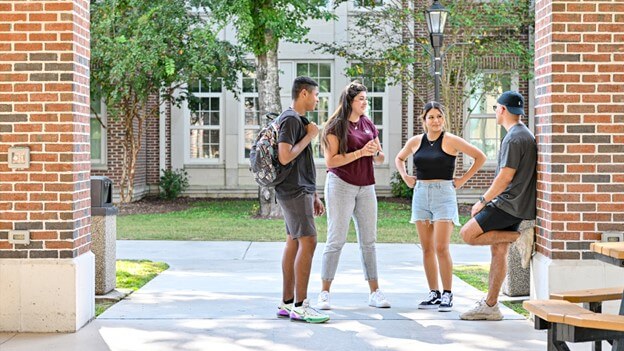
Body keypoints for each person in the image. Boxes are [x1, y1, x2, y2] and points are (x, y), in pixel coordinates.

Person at [395, 101, 486, 312]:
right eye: (431, 117)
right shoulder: (416, 141)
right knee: (426, 248)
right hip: (420, 195)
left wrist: (463, 179)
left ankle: (447, 293)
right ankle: (433, 293)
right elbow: (399, 158)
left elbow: (480, 157)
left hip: (444, 195)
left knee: (441, 247)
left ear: (443, 118)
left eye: (439, 116)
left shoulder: (450, 140)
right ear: (424, 120)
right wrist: (406, 177)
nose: (436, 121)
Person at [458, 90, 537, 321]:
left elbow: (505, 177)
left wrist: (482, 201)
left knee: (468, 234)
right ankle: (491, 306)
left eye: (496, 108)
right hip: (520, 205)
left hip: (507, 204)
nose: (495, 112)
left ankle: (521, 238)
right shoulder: (525, 134)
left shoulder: (513, 137)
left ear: (502, 110)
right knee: (498, 250)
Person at [316, 81, 390, 311]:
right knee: (336, 239)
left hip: (366, 186)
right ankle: (324, 293)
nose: (365, 103)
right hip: (340, 185)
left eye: (366, 100)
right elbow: (332, 161)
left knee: (369, 241)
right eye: (361, 100)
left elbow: (379, 157)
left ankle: (375, 292)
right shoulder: (334, 127)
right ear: (349, 101)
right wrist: (360, 152)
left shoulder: (368, 124)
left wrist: (376, 153)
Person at [275, 76, 329, 324]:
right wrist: (311, 136)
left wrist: (315, 194)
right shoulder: (290, 119)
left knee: (294, 243)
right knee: (309, 241)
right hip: (294, 190)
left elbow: (301, 162)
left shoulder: (296, 120)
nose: (317, 100)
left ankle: (286, 303)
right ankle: (301, 305)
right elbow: (285, 157)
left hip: (301, 189)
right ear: (304, 93)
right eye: (316, 95)